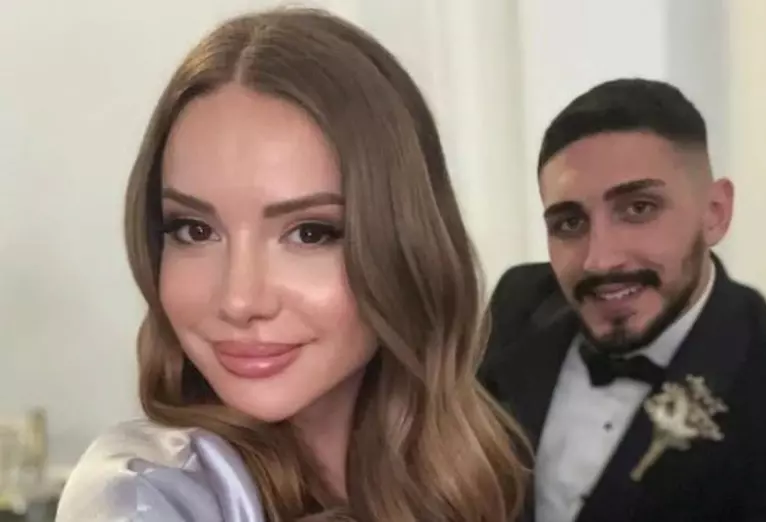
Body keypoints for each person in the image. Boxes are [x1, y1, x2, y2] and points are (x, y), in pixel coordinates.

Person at [55, 8, 530, 522]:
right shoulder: (141, 495)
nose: (240, 300)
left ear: (406, 244)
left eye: (309, 233)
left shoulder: (463, 474)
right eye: (194, 230)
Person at [480, 78, 766, 522]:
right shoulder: (520, 301)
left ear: (714, 213)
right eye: (569, 223)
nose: (599, 260)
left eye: (638, 208)